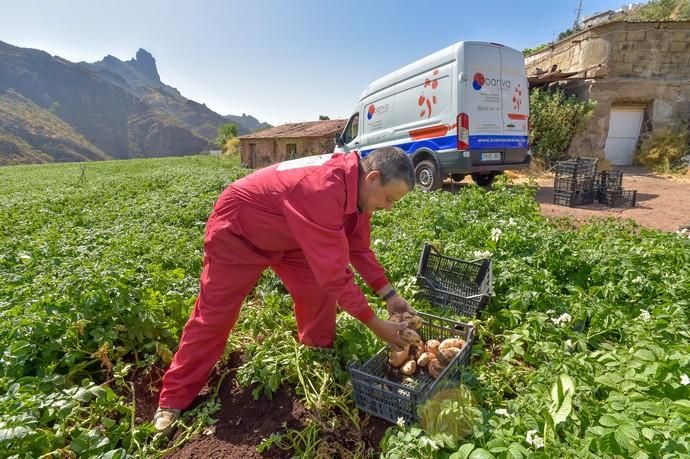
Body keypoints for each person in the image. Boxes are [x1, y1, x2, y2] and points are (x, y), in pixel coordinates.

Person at [154, 147, 416, 432]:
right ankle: (174, 399)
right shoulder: (323, 188)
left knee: (318, 292)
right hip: (239, 232)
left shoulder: (359, 193)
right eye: (389, 199)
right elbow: (335, 273)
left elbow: (358, 248)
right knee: (215, 315)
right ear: (373, 177)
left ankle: (316, 354)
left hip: (292, 238)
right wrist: (374, 324)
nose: (389, 208)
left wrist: (390, 295)